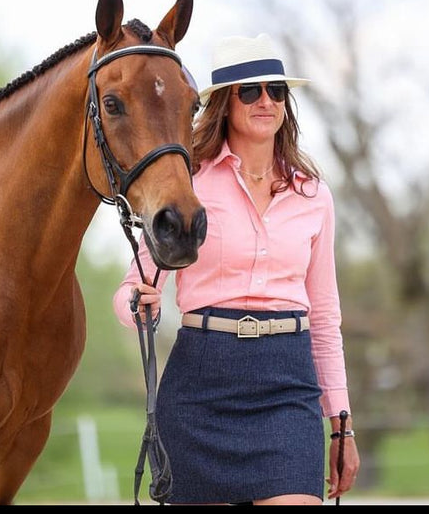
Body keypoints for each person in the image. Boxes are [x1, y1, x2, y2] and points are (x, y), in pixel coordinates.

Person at [112, 33, 360, 505]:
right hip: (200, 385)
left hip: (288, 384)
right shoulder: (189, 185)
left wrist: (341, 423)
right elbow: (134, 285)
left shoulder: (314, 196)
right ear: (225, 103)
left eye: (276, 90)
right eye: (250, 90)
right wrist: (135, 302)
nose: (265, 100)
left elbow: (326, 318)